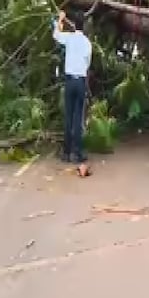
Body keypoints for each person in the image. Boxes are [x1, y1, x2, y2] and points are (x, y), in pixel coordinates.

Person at [53, 10, 93, 177]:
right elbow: (87, 63)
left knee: (68, 116)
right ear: (84, 25)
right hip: (80, 81)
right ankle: (77, 153)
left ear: (74, 24)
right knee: (77, 117)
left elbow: (56, 35)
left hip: (69, 81)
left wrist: (60, 20)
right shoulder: (87, 43)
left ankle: (66, 152)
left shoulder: (69, 38)